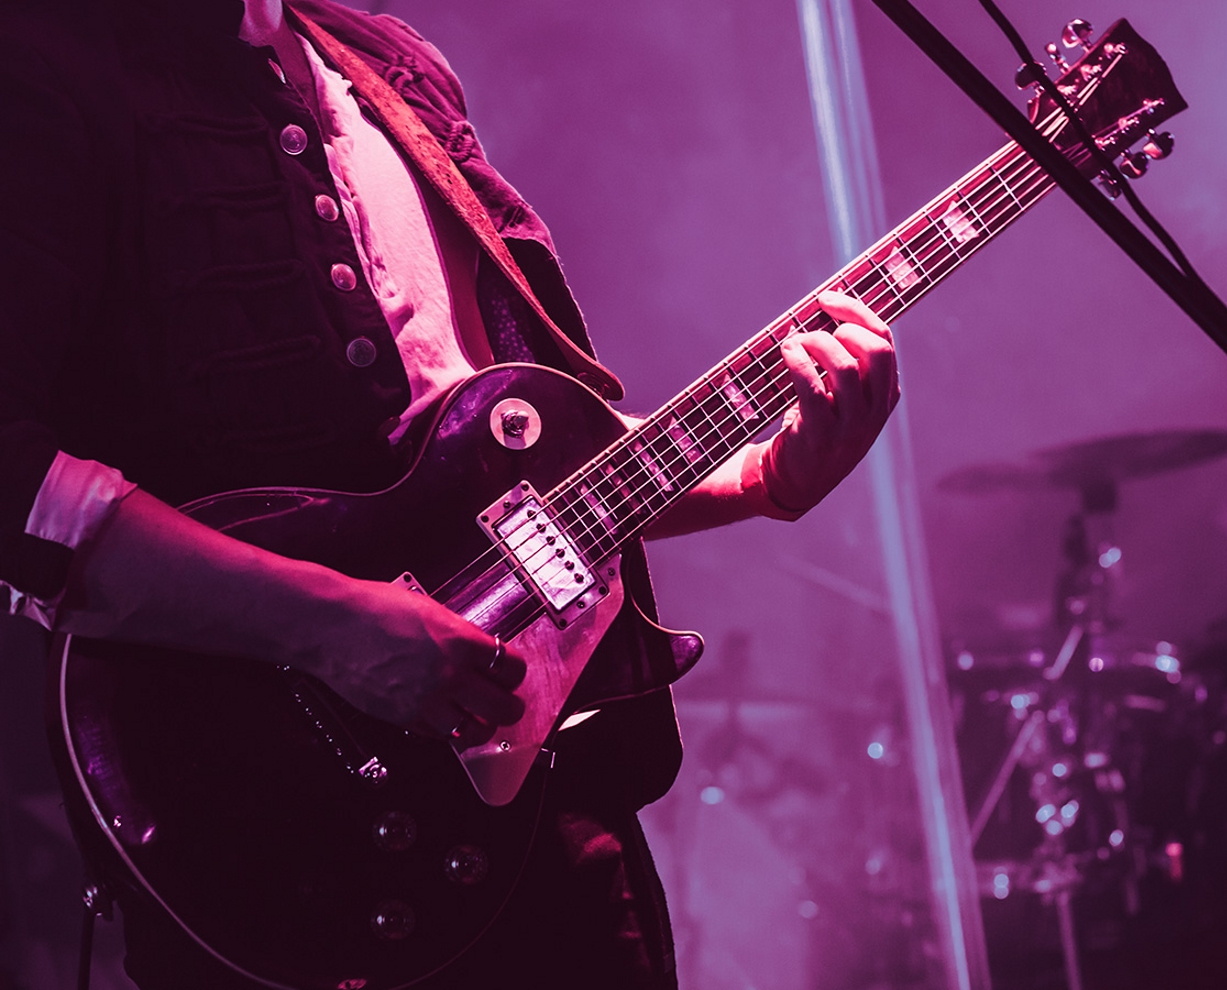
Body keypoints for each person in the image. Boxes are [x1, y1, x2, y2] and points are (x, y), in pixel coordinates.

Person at [0, 0, 899, 986]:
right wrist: (326, 628)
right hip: (257, 833)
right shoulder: (49, 66)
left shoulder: (393, 69)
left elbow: (510, 466)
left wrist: (763, 479)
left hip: (542, 814)